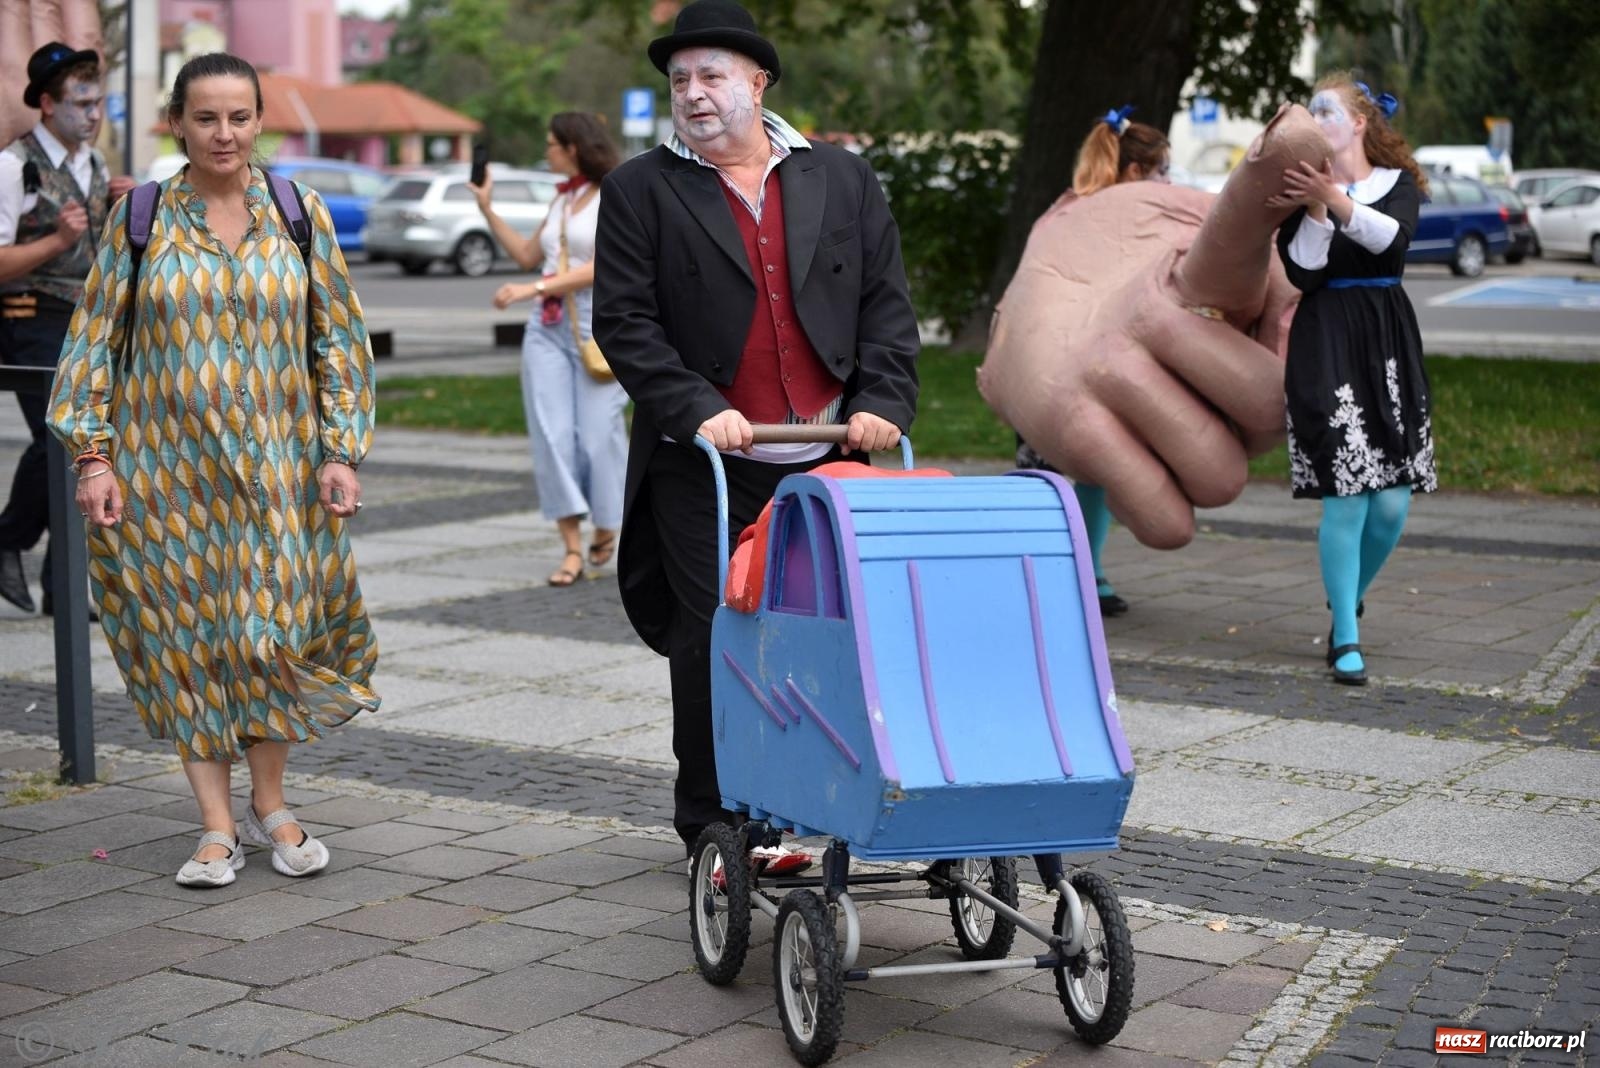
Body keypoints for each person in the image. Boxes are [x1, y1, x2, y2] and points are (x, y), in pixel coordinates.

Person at [593, 0, 919, 871]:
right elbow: (625, 324)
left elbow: (886, 304)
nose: (694, 94)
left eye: (712, 76)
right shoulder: (639, 190)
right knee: (717, 637)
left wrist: (884, 397)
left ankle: (826, 797)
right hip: (705, 462)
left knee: (838, 634)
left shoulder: (840, 179)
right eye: (679, 80)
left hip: (830, 454)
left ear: (758, 81)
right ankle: (714, 826)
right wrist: (696, 407)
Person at [47, 52, 380, 886]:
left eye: (238, 117)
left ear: (258, 119)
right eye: (206, 118)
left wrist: (341, 449)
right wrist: (93, 458)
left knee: (270, 640)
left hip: (281, 478)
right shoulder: (143, 220)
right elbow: (91, 347)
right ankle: (216, 828)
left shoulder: (299, 214)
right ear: (178, 124)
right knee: (188, 645)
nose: (223, 134)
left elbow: (337, 341)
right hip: (167, 483)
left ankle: (273, 805)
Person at [1268, 74, 1436, 686]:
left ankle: (1347, 599)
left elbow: (1391, 247)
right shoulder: (1298, 191)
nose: (1317, 119)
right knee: (1348, 496)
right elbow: (1303, 274)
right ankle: (1346, 634)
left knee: (1390, 505)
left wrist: (1336, 199)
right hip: (1326, 343)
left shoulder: (1400, 187)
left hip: (1386, 342)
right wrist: (1315, 204)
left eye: (1327, 111)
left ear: (1360, 122)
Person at [1014, 106, 1172, 618]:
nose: (1166, 182)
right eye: (1159, 171)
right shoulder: (1097, 217)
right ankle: (1058, 571)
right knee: (1062, 472)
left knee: (1090, 469)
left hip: (1066, 359)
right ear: (1133, 173)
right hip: (1061, 361)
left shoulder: (1070, 208)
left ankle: (1087, 570)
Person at [0, 42, 134, 615]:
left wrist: (124, 212)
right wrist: (54, 240)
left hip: (82, 322)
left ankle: (62, 589)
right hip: (26, 318)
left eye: (98, 101)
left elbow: (98, 253)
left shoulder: (94, 165)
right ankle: (8, 538)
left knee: (80, 446)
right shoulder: (13, 165)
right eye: (82, 102)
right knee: (61, 439)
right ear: (48, 105)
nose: (94, 114)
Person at [470, 113, 626, 587]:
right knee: (552, 435)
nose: (548, 152)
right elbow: (525, 255)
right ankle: (572, 549)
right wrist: (487, 208)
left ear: (574, 147)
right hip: (548, 330)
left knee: (598, 437)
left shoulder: (613, 195)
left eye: (552, 144)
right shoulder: (564, 199)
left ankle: (606, 522)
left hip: (600, 329)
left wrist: (534, 288)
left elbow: (605, 265)